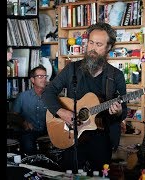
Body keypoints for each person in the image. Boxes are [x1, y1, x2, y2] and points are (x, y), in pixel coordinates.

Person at [42, 22, 127, 174]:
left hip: (102, 139)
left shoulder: (116, 76)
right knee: (69, 175)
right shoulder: (72, 69)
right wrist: (62, 112)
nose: (92, 48)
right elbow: (48, 93)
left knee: (99, 177)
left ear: (108, 48)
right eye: (91, 42)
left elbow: (124, 110)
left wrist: (118, 112)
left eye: (99, 44)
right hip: (71, 136)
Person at [11, 65, 48, 155]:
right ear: (32, 80)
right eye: (40, 76)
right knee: (28, 145)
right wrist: (24, 122)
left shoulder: (50, 96)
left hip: (47, 131)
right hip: (29, 132)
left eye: (45, 76)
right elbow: (13, 116)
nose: (43, 79)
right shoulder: (22, 97)